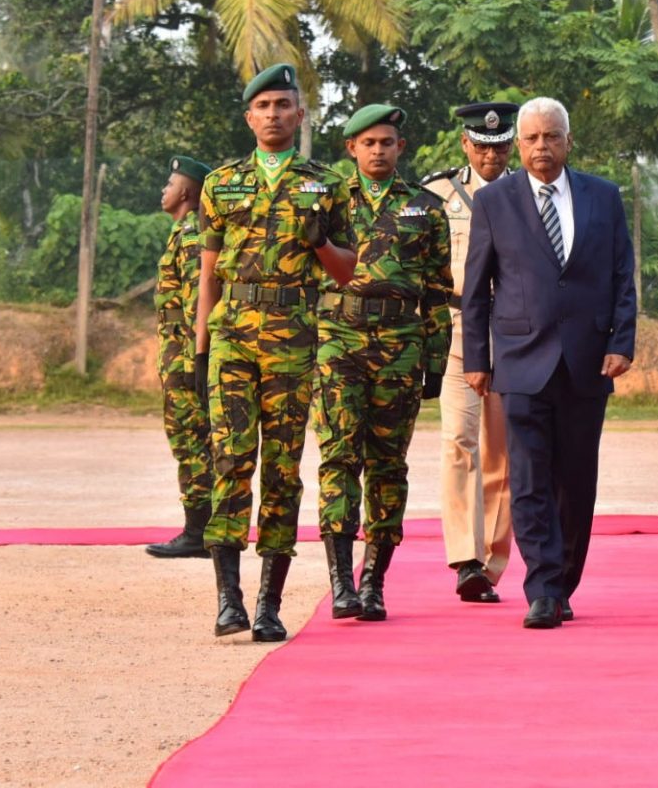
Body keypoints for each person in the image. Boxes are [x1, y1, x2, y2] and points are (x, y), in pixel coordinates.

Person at [461, 96, 637, 630]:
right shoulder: (494, 201)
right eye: (532, 138)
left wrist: (621, 342)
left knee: (576, 480)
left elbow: (622, 277)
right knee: (529, 478)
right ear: (519, 145)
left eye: (551, 136)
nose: (542, 146)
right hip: (520, 361)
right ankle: (541, 587)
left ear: (568, 141)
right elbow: (477, 290)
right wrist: (478, 358)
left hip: (588, 361)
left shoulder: (603, 197)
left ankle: (563, 583)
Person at [194, 63, 356, 642]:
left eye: (283, 105)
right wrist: (199, 351)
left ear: (300, 115)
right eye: (262, 107)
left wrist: (321, 242)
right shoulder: (221, 183)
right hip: (233, 336)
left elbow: (347, 270)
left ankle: (269, 604)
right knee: (230, 461)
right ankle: (229, 600)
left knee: (283, 470)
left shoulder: (327, 184)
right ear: (249, 118)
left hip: (293, 336)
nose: (272, 115)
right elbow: (207, 272)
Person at [314, 104, 452, 622]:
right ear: (351, 148)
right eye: (368, 143)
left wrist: (436, 359)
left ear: (400, 147)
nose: (378, 150)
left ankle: (374, 582)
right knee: (338, 456)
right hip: (338, 340)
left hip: (401, 343)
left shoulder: (426, 208)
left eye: (386, 142)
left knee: (388, 464)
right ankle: (341, 582)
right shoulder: (327, 202)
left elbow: (438, 291)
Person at [425, 102, 518, 603]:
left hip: (512, 333)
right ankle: (465, 559)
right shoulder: (438, 194)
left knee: (503, 452)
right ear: (465, 144)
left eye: (500, 147)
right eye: (481, 146)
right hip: (458, 328)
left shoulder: (526, 194)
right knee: (458, 442)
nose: (491, 156)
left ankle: (490, 561)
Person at [146, 155, 214, 559]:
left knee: (192, 441)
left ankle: (199, 531)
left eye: (170, 184)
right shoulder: (183, 233)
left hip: (185, 358)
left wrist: (194, 363)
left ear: (186, 192)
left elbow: (195, 304)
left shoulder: (191, 237)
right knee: (189, 441)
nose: (164, 190)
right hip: (177, 355)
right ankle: (200, 529)